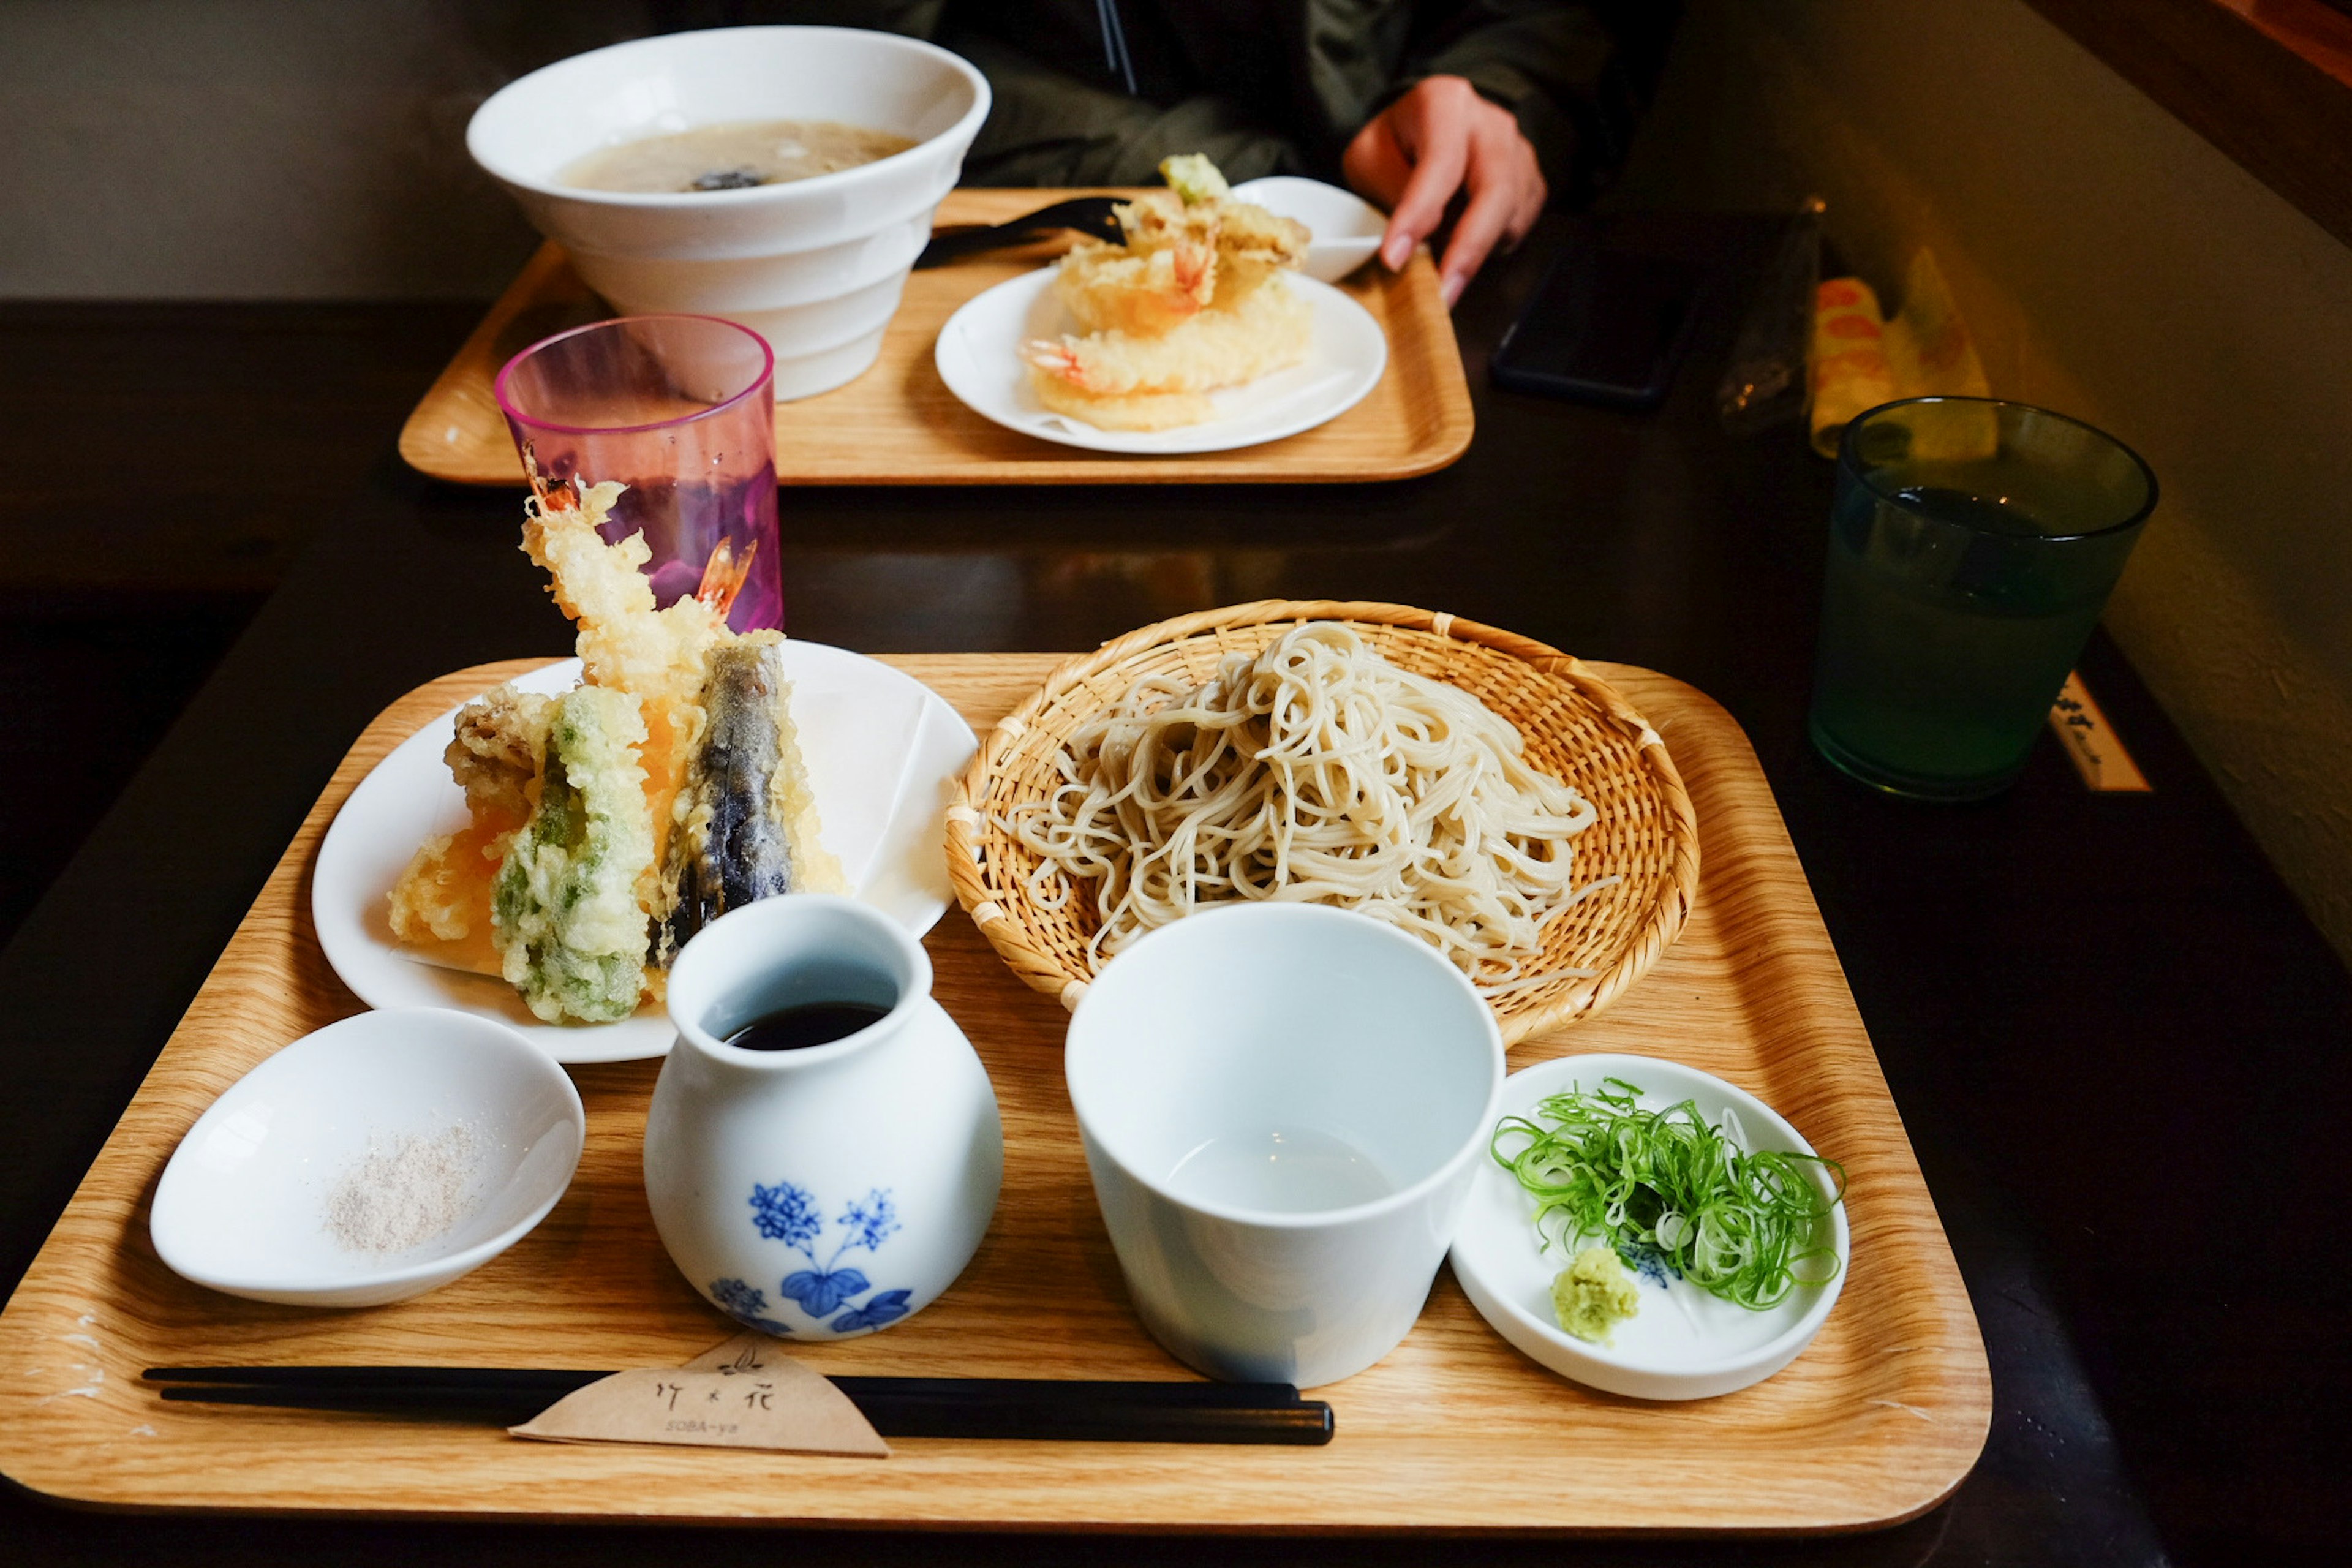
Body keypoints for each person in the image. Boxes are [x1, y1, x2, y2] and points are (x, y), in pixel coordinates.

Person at [745, 2, 1679, 303]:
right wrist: (1244, 163)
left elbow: (1560, 20)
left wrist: (1500, 91)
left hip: (1424, 274)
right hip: (997, 222)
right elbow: (839, 62)